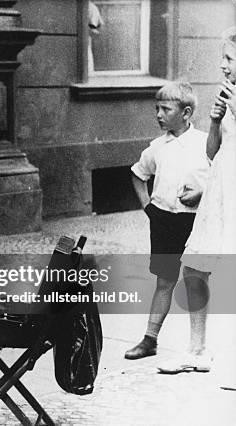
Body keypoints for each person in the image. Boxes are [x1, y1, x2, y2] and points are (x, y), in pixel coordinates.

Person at [161, 27, 236, 378]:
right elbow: (213, 153)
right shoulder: (227, 95)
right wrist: (216, 119)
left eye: (230, 59)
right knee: (194, 267)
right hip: (220, 192)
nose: (223, 66)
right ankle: (197, 350)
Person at [125, 82, 210, 362]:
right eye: (156, 109)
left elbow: (220, 178)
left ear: (186, 113)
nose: (158, 114)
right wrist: (148, 206)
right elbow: (138, 174)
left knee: (195, 280)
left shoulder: (205, 144)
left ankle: (196, 346)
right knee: (165, 280)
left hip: (195, 221)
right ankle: (150, 339)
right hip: (163, 221)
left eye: (165, 109)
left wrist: (202, 192)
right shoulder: (156, 148)